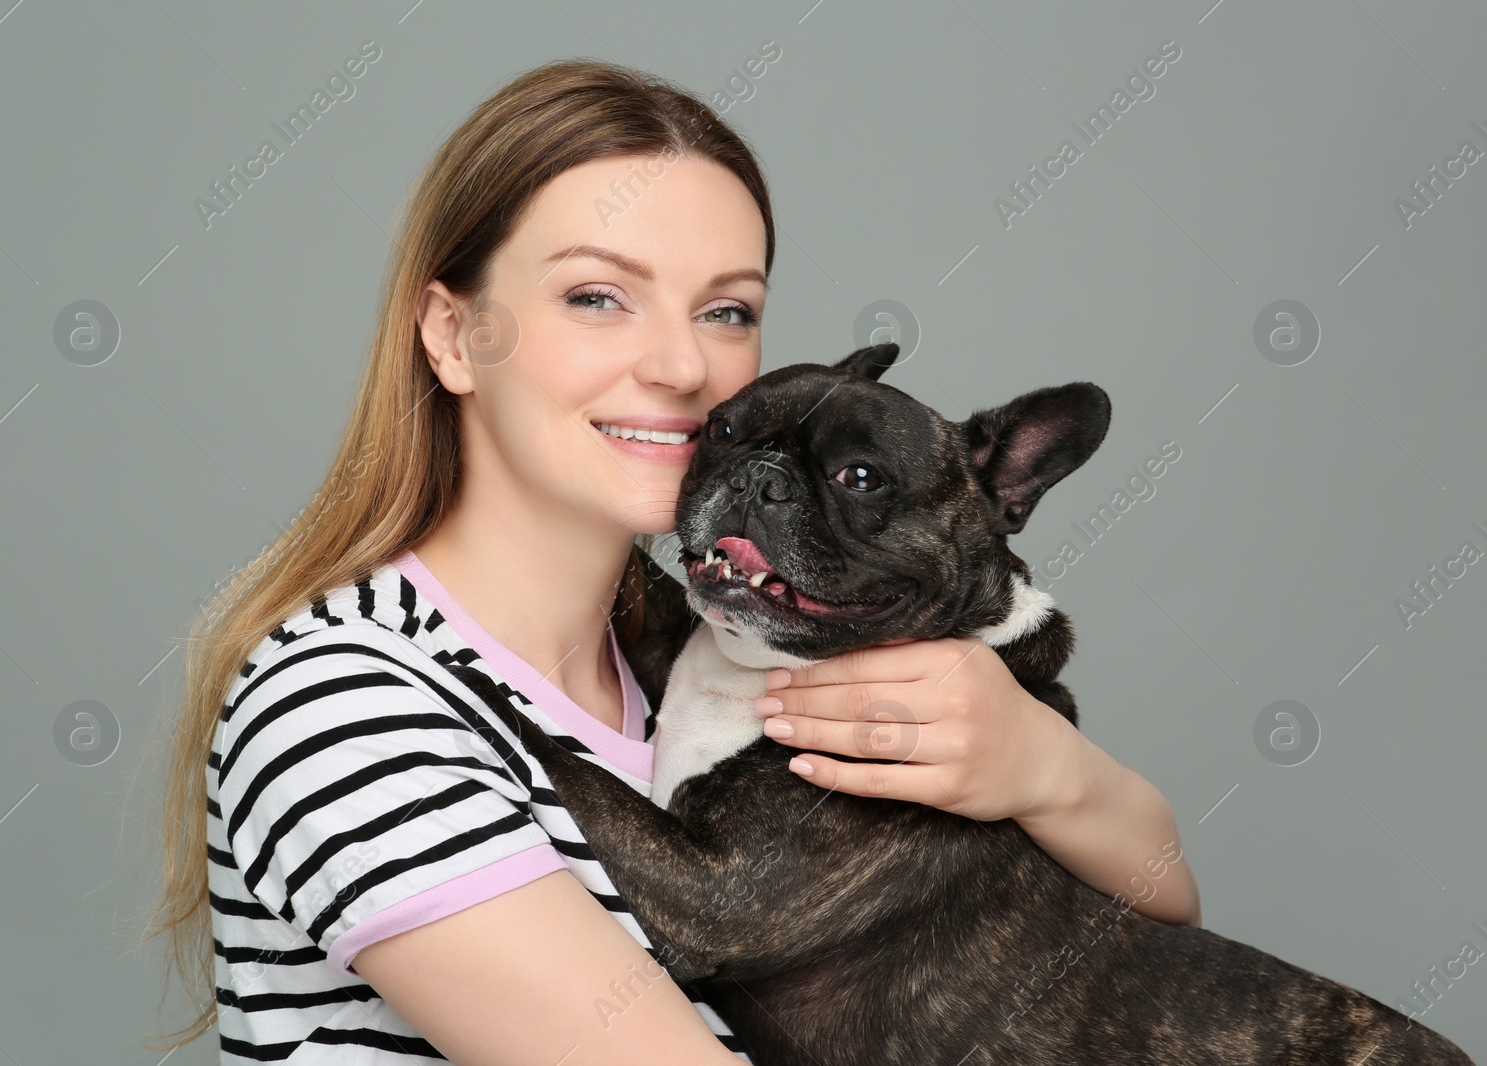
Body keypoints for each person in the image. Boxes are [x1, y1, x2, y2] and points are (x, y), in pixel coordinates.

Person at [142, 58, 1200, 1065]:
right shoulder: (339, 703)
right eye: (598, 295)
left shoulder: (721, 643)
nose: (680, 364)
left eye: (725, 310)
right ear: (454, 335)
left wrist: (1041, 763)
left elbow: (1150, 914)